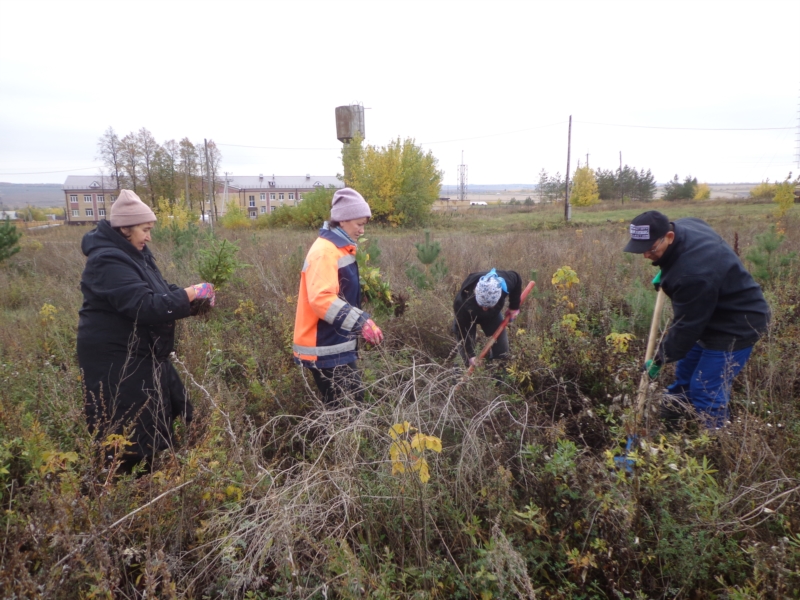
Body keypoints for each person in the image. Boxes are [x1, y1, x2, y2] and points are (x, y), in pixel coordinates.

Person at [78, 190, 215, 474]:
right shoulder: (107, 260)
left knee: (171, 410)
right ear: (125, 229)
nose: (149, 237)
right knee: (130, 432)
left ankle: (155, 480)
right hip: (117, 361)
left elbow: (160, 293)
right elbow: (143, 306)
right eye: (145, 230)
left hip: (145, 354)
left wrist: (193, 302)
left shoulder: (135, 254)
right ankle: (124, 493)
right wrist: (190, 293)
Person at [623, 210, 770, 429]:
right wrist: (667, 270)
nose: (646, 255)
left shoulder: (692, 275)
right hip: (708, 310)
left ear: (669, 237)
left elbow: (687, 326)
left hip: (737, 324)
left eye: (651, 249)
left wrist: (660, 359)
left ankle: (714, 446)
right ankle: (671, 431)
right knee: (684, 379)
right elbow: (695, 225)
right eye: (641, 249)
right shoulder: (685, 226)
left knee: (705, 390)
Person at [293, 188, 383, 407]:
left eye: (364, 224)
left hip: (335, 344)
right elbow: (322, 299)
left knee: (349, 403)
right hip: (323, 347)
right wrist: (361, 322)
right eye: (359, 224)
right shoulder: (325, 252)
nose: (362, 230)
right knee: (345, 407)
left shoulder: (341, 249)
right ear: (342, 221)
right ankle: (336, 442)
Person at [453, 268, 522, 368]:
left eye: (489, 306)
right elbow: (462, 331)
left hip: (492, 316)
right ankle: (458, 379)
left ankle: (498, 379)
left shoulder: (505, 282)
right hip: (467, 317)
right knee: (465, 357)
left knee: (502, 352)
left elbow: (517, 278)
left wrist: (514, 307)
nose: (485, 309)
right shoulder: (462, 303)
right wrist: (470, 355)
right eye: (482, 305)